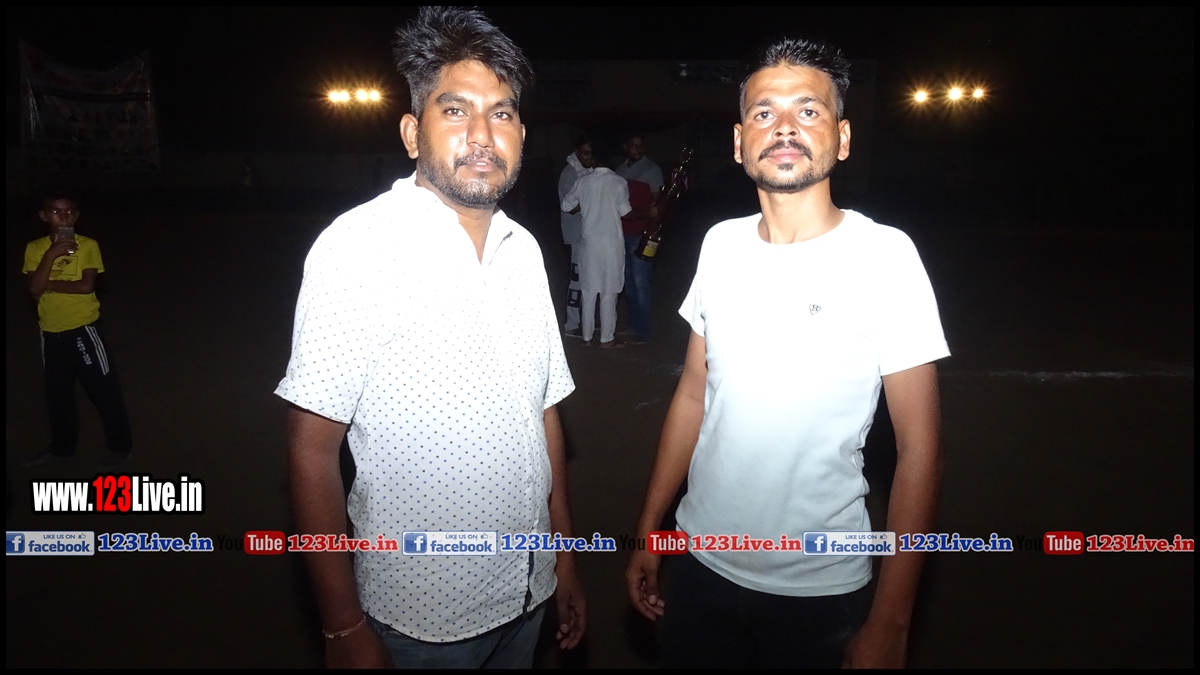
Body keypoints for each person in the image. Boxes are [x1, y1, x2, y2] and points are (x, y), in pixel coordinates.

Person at [625, 37, 949, 669]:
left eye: (808, 109)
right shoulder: (720, 244)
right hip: (699, 564)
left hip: (819, 590)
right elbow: (693, 393)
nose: (784, 127)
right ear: (739, 142)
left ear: (842, 137)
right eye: (764, 112)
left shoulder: (886, 256)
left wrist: (891, 621)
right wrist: (650, 526)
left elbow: (921, 450)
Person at [277, 7, 585, 668]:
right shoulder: (357, 247)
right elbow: (310, 450)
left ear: (522, 133)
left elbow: (544, 415)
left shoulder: (525, 251)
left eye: (501, 113)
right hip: (422, 618)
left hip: (527, 593)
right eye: (455, 110)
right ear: (413, 133)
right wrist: (341, 627)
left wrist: (563, 560)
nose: (482, 135)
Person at [21, 188, 133, 470]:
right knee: (58, 395)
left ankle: (120, 446)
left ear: (77, 216)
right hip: (50, 331)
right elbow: (33, 290)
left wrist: (47, 284)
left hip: (83, 329)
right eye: (56, 212)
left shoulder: (88, 245)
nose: (64, 217)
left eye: (69, 211)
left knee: (103, 390)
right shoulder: (35, 248)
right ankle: (61, 449)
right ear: (44, 216)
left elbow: (85, 286)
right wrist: (51, 254)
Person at [561, 155, 632, 348]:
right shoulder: (619, 182)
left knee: (588, 291)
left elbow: (566, 206)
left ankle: (587, 337)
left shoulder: (583, 181)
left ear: (594, 160)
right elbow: (625, 212)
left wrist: (584, 204)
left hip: (589, 244)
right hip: (611, 246)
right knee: (609, 291)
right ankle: (607, 338)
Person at [614, 135, 663, 344]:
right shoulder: (619, 170)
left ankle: (642, 331)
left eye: (641, 145)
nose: (638, 149)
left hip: (641, 233)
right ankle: (633, 325)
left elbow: (658, 204)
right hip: (620, 233)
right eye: (633, 145)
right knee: (628, 283)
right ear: (625, 147)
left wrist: (652, 232)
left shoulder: (652, 170)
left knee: (641, 282)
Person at [556, 135, 592, 337]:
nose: (589, 157)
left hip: (588, 233)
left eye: (591, 153)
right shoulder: (570, 173)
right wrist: (594, 203)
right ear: (577, 151)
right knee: (577, 279)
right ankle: (571, 324)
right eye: (585, 152)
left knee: (588, 278)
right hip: (576, 234)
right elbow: (570, 206)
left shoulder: (587, 170)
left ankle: (585, 320)